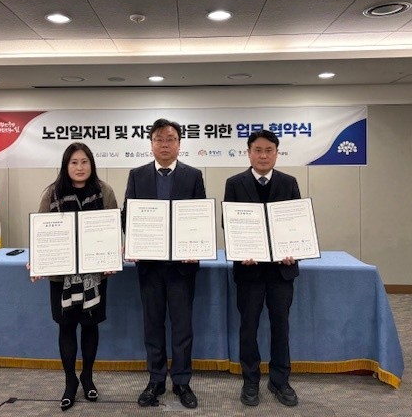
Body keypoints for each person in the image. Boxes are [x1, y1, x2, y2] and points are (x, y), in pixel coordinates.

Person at [123, 118, 206, 409]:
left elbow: (199, 216)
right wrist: (132, 242)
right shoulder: (137, 175)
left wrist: (197, 246)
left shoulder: (193, 175)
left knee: (182, 327)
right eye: (159, 139)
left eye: (171, 139)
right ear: (151, 144)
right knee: (153, 325)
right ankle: (156, 379)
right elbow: (128, 215)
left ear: (179, 144)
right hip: (150, 266)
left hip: (182, 267)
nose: (165, 144)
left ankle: (181, 381)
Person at [31, 142, 118, 412]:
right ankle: (70, 381)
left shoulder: (104, 191)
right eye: (74, 162)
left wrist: (112, 258)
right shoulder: (52, 193)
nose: (80, 167)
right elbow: (42, 233)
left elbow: (112, 230)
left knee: (90, 327)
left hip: (95, 275)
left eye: (84, 162)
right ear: (65, 166)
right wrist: (38, 261)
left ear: (91, 164)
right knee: (66, 328)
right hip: (62, 277)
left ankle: (87, 377)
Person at [223, 129, 301, 408]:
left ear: (277, 154)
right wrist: (240, 249)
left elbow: (295, 223)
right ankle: (250, 380)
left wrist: (294, 249)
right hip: (250, 271)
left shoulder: (289, 183)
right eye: (258, 150)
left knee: (281, 327)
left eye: (269, 150)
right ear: (249, 153)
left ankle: (280, 380)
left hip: (281, 270)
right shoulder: (234, 183)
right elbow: (228, 224)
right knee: (249, 327)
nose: (264, 155)